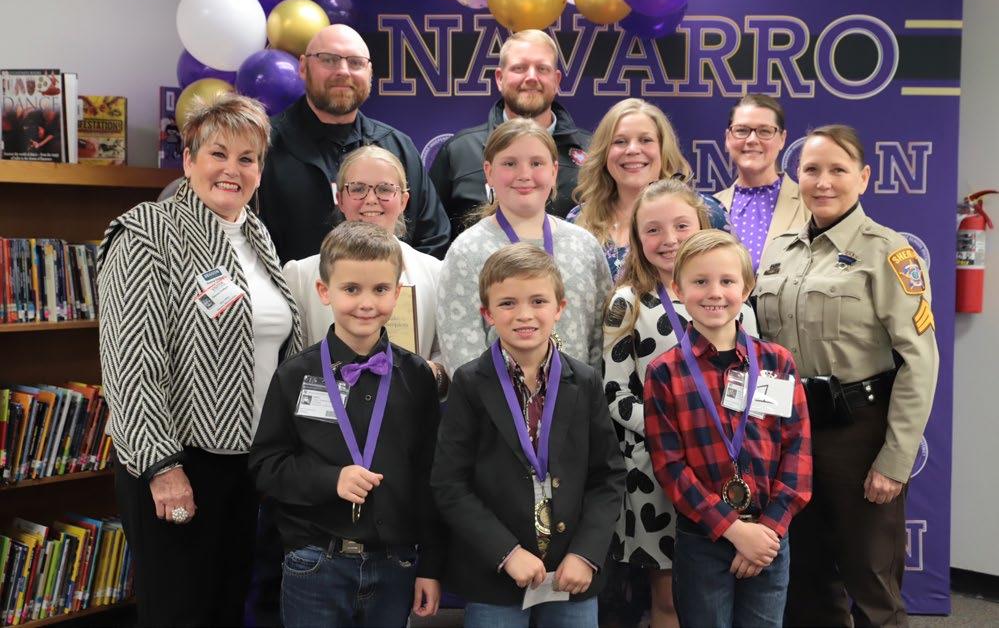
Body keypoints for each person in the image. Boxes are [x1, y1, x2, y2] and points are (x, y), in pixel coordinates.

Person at [97, 94, 303, 626]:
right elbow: (131, 363)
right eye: (218, 154)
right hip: (178, 461)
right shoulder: (148, 232)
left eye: (247, 158)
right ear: (188, 161)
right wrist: (163, 468)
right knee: (179, 614)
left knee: (225, 610)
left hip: (245, 463)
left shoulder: (255, 236)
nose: (233, 170)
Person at [755, 125, 939, 627]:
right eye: (811, 170)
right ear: (797, 177)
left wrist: (895, 461)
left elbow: (920, 361)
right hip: (789, 433)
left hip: (858, 433)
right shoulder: (778, 251)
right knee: (805, 581)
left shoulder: (889, 252)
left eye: (838, 169)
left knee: (871, 582)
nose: (823, 181)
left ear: (863, 178)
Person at [250, 221, 444, 627]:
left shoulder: (417, 377)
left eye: (380, 289)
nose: (366, 303)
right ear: (325, 292)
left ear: (397, 293)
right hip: (315, 561)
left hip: (396, 564)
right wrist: (330, 479)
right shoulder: (295, 375)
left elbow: (431, 476)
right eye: (351, 289)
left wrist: (431, 565)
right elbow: (266, 466)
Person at [431, 243, 626, 627]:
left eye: (538, 301)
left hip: (571, 573)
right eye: (507, 304)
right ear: (487, 313)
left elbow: (608, 477)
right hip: (496, 575)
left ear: (560, 307)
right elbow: (449, 484)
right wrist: (505, 552)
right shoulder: (470, 383)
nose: (524, 314)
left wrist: (586, 554)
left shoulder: (585, 381)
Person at [602, 179, 758, 628]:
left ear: (703, 225)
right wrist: (677, 437)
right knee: (670, 599)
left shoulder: (733, 299)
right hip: (659, 470)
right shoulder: (628, 303)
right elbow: (615, 394)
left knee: (725, 592)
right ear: (637, 239)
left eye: (681, 225)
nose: (668, 239)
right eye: (653, 229)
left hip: (730, 466)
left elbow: (754, 386)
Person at [644, 230, 812, 628]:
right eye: (700, 281)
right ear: (678, 289)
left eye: (727, 281)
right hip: (703, 537)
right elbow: (669, 466)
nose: (714, 293)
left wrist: (767, 531)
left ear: (747, 288)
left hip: (769, 536)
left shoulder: (778, 362)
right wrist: (734, 530)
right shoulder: (664, 372)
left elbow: (798, 451)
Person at [257, 23, 450, 263]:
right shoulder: (263, 146)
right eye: (329, 60)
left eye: (356, 62)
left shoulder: (398, 147)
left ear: (370, 72)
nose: (343, 71)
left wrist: (391, 282)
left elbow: (433, 239)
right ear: (304, 67)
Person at [435, 118, 612, 375]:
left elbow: (600, 341)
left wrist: (586, 395)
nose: (524, 175)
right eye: (510, 163)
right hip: (496, 399)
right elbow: (460, 350)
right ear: (489, 172)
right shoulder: (467, 251)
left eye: (536, 163)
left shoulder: (584, 245)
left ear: (554, 171)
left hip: (576, 398)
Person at [281, 145, 446, 392]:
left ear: (403, 200)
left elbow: (446, 355)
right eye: (357, 189)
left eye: (384, 189)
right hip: (329, 410)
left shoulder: (436, 273)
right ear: (340, 200)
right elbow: (294, 360)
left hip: (410, 408)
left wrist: (429, 373)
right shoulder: (300, 275)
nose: (370, 199)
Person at [429, 29, 591, 241]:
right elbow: (433, 238)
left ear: (556, 80)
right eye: (519, 68)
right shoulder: (459, 151)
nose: (531, 77)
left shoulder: (592, 152)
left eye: (542, 68)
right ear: (499, 78)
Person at [569, 98, 730, 279]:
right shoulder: (579, 219)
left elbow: (732, 282)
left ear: (663, 149)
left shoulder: (706, 212)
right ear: (604, 153)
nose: (632, 150)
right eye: (620, 141)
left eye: (646, 140)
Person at [714, 94, 808, 270]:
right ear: (728, 138)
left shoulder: (809, 203)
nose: (752, 140)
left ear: (782, 139)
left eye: (764, 131)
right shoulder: (710, 208)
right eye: (742, 130)